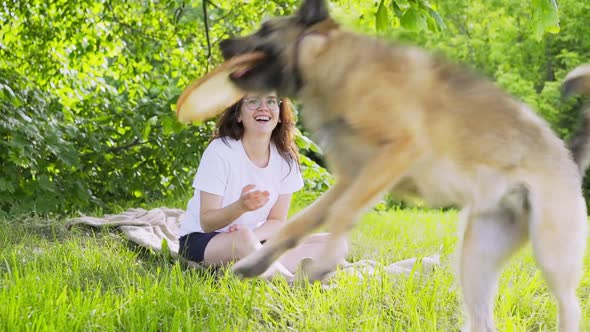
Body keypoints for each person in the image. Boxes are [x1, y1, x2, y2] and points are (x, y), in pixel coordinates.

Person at [178, 91, 348, 280]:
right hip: (202, 241)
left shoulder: (286, 159)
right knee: (243, 239)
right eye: (253, 101)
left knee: (335, 241)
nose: (263, 107)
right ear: (239, 115)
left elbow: (277, 221)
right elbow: (207, 222)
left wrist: (254, 235)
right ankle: (288, 283)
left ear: (280, 113)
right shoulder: (220, 151)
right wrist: (239, 207)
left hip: (255, 241)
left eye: (271, 101)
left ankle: (257, 266)